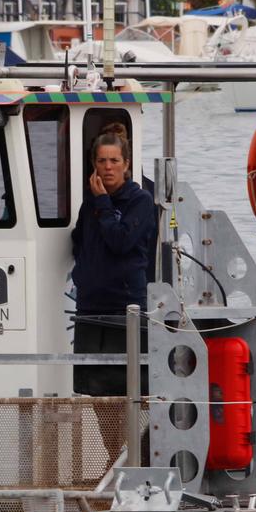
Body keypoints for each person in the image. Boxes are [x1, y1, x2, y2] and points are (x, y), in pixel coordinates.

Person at [70, 128, 156, 396]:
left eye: (114, 161)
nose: (107, 168)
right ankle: (111, 441)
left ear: (126, 165)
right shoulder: (90, 202)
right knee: (94, 391)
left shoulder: (140, 200)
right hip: (90, 307)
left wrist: (105, 204)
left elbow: (121, 242)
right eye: (101, 161)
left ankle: (136, 439)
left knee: (130, 391)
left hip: (125, 308)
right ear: (94, 164)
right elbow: (79, 240)